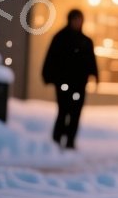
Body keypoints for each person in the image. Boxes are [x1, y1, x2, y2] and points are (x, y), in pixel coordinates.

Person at [42, 9, 98, 150]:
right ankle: (57, 139)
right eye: (75, 19)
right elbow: (51, 58)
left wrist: (95, 75)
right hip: (63, 83)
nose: (77, 23)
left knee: (75, 112)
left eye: (79, 20)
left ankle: (70, 141)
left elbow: (91, 61)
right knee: (64, 110)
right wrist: (48, 76)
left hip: (79, 84)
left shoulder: (85, 41)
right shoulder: (60, 38)